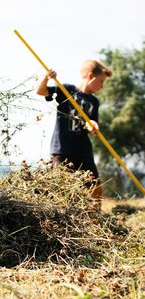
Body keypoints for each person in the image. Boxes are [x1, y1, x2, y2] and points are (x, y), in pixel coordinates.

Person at [36, 59, 113, 208]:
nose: (102, 86)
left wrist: (93, 126)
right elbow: (40, 91)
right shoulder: (67, 90)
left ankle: (95, 221)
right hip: (62, 149)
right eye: (101, 82)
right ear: (91, 76)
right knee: (59, 190)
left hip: (83, 150)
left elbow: (92, 124)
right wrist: (45, 77)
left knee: (95, 189)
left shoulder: (94, 102)